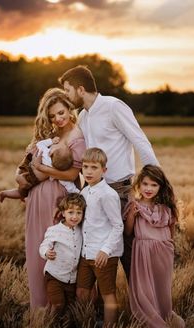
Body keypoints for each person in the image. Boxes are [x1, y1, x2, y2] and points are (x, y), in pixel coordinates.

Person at [58, 65, 159, 278]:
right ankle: (95, 308)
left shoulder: (114, 107)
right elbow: (67, 145)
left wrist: (157, 181)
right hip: (91, 191)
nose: (66, 96)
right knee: (91, 249)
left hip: (119, 191)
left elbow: (139, 140)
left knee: (130, 255)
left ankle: (149, 308)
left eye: (68, 90)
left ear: (81, 89)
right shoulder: (83, 117)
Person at [17, 88, 86, 309]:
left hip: (59, 200)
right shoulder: (50, 136)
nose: (57, 119)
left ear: (70, 110)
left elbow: (73, 175)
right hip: (38, 198)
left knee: (61, 251)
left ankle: (60, 308)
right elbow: (30, 162)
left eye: (61, 113)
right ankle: (40, 307)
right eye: (53, 116)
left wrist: (44, 169)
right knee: (37, 248)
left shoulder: (77, 137)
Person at [123, 165, 185, 328]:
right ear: (139, 185)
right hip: (142, 250)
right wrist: (132, 217)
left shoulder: (165, 206)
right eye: (145, 184)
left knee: (161, 289)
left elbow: (171, 227)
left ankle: (165, 317)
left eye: (154, 185)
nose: (149, 189)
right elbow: (128, 232)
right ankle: (154, 326)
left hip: (163, 251)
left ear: (161, 187)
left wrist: (169, 245)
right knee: (144, 290)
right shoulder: (134, 205)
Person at [77, 147, 124, 328]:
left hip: (104, 254)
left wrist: (106, 250)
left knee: (107, 294)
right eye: (85, 166)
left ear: (104, 170)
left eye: (94, 167)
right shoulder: (84, 192)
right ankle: (85, 327)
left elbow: (118, 225)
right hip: (86, 253)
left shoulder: (108, 194)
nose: (88, 171)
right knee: (82, 293)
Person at [39, 193, 86, 316]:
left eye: (79, 213)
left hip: (71, 279)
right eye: (71, 212)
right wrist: (46, 252)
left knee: (69, 308)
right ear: (63, 213)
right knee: (58, 304)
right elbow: (44, 245)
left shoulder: (81, 230)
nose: (75, 217)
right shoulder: (54, 230)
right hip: (54, 276)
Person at [0, 136, 79, 202]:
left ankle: (5, 193)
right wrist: (77, 192)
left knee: (22, 189)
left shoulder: (46, 153)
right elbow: (69, 186)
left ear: (52, 152)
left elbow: (40, 144)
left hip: (27, 169)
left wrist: (51, 141)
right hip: (31, 179)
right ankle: (5, 194)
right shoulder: (56, 171)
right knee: (20, 193)